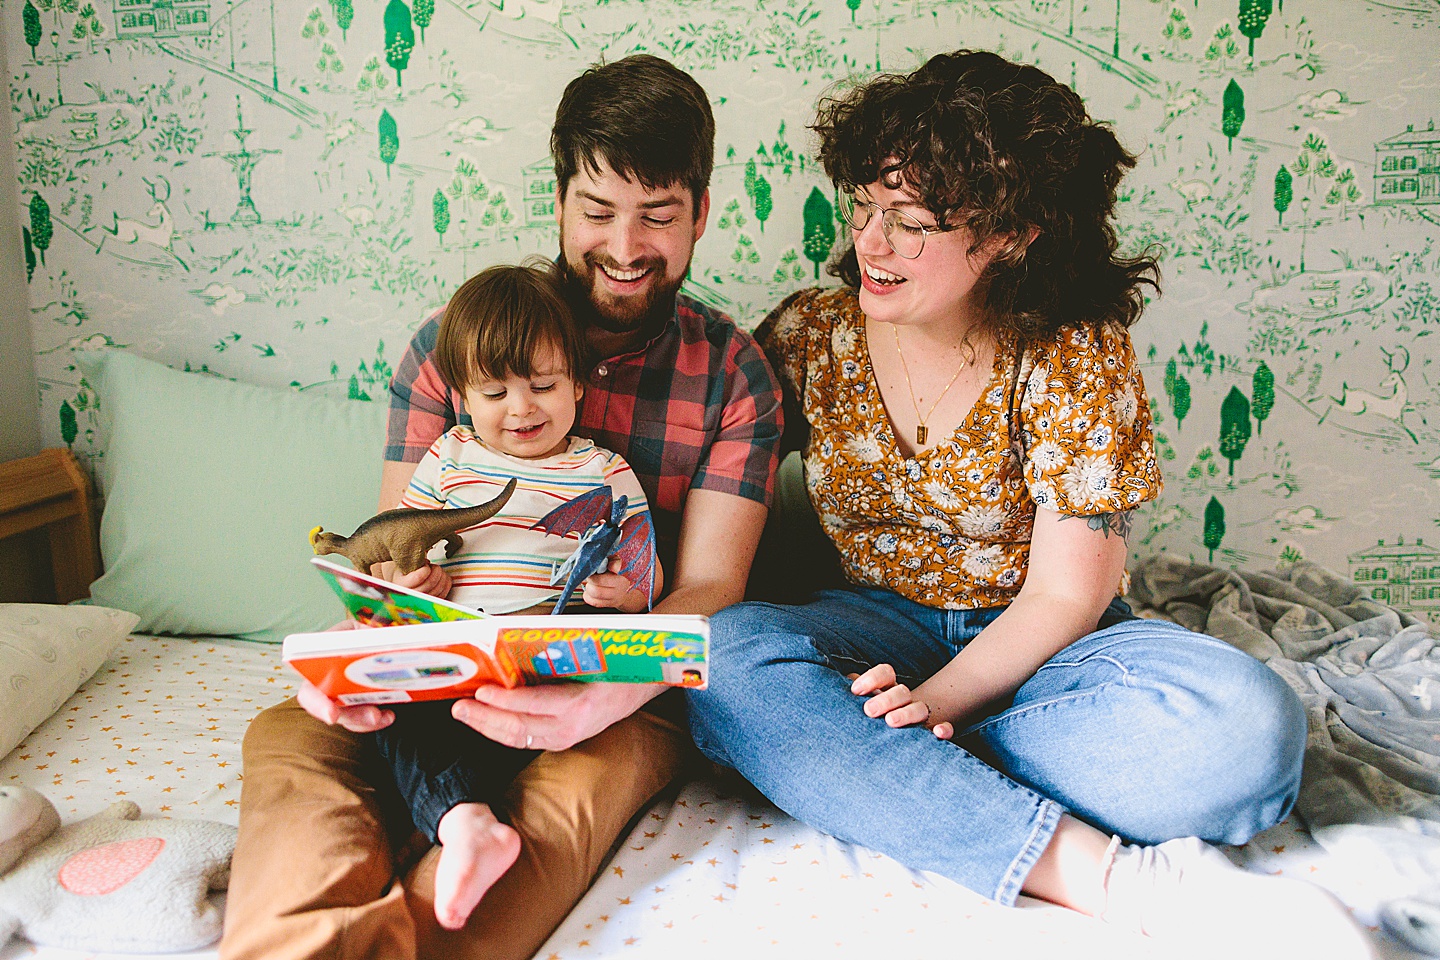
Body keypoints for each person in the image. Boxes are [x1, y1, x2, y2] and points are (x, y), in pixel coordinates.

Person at [687, 50, 1374, 960]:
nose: (870, 243)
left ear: (1010, 233)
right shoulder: (814, 331)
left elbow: (1064, 597)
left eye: (910, 222)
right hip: (870, 623)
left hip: (1050, 648)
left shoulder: (1072, 352)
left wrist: (926, 711)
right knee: (717, 664)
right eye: (865, 206)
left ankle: (871, 771)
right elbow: (705, 473)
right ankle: (1102, 877)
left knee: (1249, 736)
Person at [221, 54, 783, 960]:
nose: (627, 245)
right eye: (598, 212)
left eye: (659, 216)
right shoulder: (451, 348)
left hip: (615, 689)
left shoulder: (732, 374)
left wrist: (611, 693)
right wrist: (369, 644)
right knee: (298, 754)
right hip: (439, 667)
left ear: (702, 216)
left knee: (539, 831)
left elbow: (713, 582)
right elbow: (392, 552)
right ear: (559, 203)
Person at [369, 260, 663, 933]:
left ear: (580, 385)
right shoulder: (448, 458)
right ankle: (467, 823)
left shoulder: (604, 471)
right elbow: (395, 552)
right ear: (464, 396)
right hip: (456, 652)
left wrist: (624, 594)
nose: (521, 409)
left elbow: (647, 577)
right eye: (495, 392)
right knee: (392, 706)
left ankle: (455, 815)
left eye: (543, 386)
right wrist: (413, 580)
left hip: (548, 656)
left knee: (506, 703)